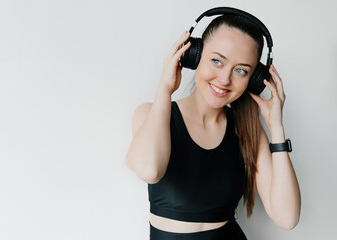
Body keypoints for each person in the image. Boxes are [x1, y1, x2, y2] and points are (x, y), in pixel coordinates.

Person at [125, 7, 301, 240]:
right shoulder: (151, 113)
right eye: (217, 61)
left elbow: (287, 217)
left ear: (254, 80)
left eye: (240, 70)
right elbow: (149, 169)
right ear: (193, 55)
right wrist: (165, 88)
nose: (225, 79)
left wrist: (276, 128)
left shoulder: (247, 130)